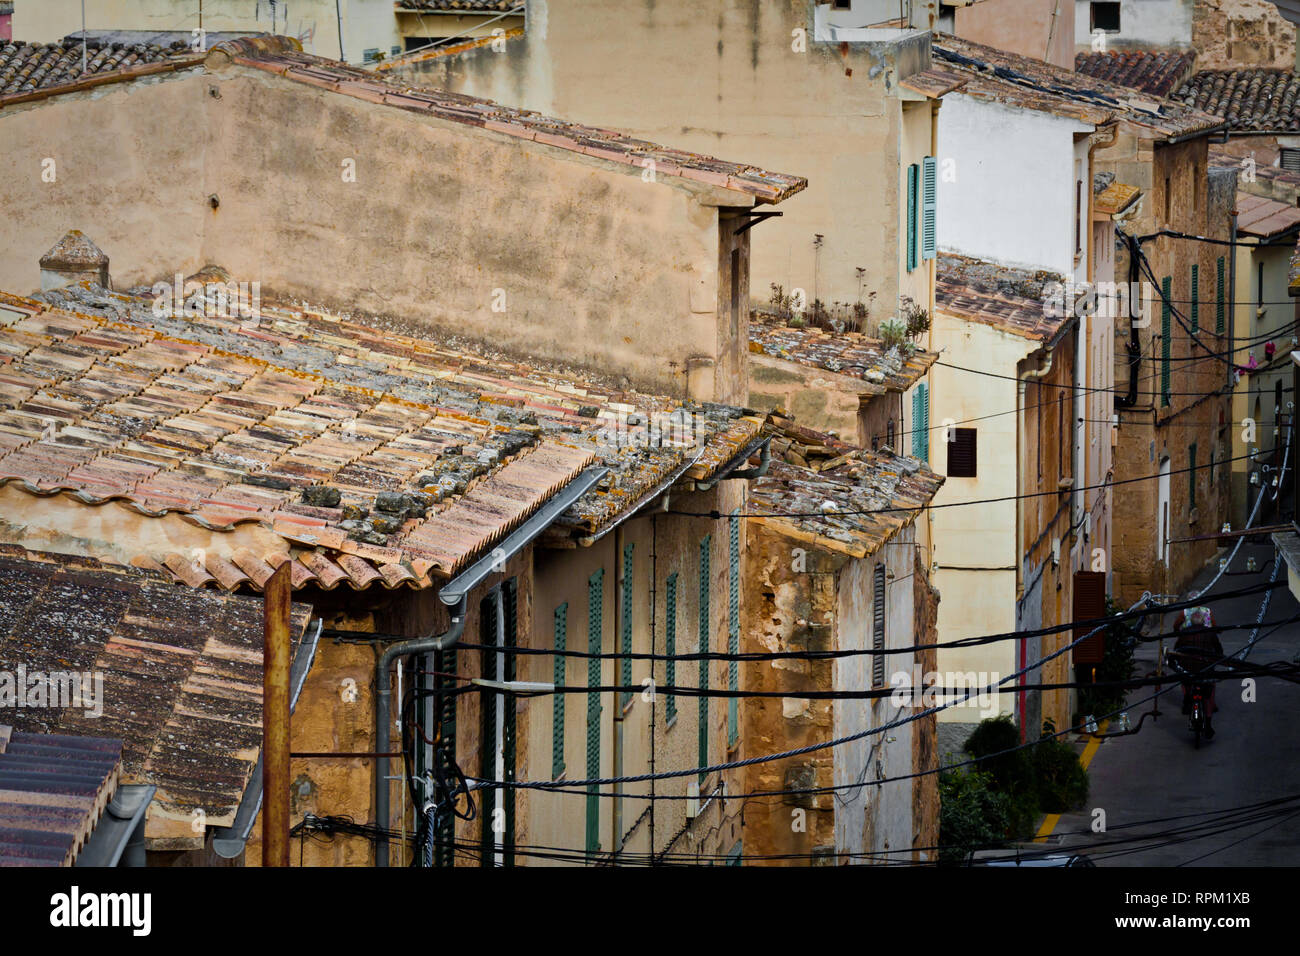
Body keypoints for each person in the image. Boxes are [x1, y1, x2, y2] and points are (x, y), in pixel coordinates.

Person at [1171, 606, 1222, 738]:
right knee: (1209, 694)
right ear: (1204, 621)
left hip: (1188, 669)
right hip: (1205, 669)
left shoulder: (1184, 633)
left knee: (1183, 678)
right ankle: (1209, 723)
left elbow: (1176, 651)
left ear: (1190, 621)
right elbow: (1219, 651)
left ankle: (1187, 698)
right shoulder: (1210, 633)